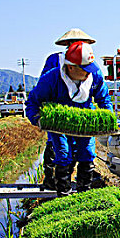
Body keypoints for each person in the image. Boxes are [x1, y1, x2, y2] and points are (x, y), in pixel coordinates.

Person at [26, 41, 113, 196]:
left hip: (84, 120)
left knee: (87, 153)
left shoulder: (95, 75)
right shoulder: (51, 79)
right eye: (85, 69)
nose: (88, 73)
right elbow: (33, 101)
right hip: (59, 124)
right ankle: (63, 194)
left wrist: (110, 119)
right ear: (71, 67)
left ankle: (84, 193)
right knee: (63, 154)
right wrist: (37, 119)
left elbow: (104, 99)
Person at [39, 28, 98, 190]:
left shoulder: (89, 64)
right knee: (58, 147)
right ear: (68, 45)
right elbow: (45, 84)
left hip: (82, 114)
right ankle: (55, 183)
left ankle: (80, 186)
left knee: (84, 151)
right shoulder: (55, 61)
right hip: (62, 114)